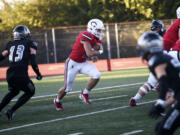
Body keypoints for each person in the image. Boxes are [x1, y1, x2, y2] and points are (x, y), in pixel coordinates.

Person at [54, 18, 105, 111]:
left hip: (83, 62)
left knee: (97, 75)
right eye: (98, 30)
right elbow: (90, 53)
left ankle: (84, 93)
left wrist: (96, 53)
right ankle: (57, 100)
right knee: (67, 88)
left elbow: (98, 47)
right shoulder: (85, 35)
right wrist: (99, 52)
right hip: (72, 63)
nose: (100, 32)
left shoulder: (95, 38)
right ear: (92, 28)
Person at [137, 31, 180, 135]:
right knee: (160, 128)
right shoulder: (163, 56)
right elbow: (177, 92)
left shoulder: (156, 60)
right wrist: (164, 104)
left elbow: (163, 82)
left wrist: (160, 102)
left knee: (162, 131)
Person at [0, 25, 42, 120]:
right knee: (30, 91)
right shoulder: (30, 43)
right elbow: (33, 62)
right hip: (21, 74)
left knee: (14, 91)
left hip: (10, 74)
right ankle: (11, 111)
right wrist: (38, 74)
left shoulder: (10, 43)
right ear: (24, 34)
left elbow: (2, 56)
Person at [129, 20, 166, 106]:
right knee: (171, 83)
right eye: (154, 29)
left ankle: (135, 98)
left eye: (156, 28)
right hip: (165, 60)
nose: (155, 30)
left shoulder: (152, 37)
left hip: (155, 61)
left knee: (151, 83)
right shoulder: (164, 35)